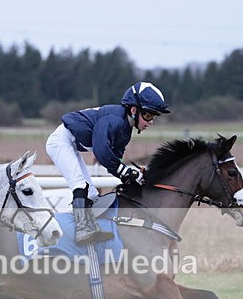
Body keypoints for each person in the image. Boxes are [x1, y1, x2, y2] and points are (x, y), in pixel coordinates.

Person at [45, 82, 170, 245]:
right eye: (148, 115)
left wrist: (132, 175)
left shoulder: (125, 131)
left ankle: (92, 229)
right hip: (60, 141)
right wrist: (126, 172)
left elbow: (114, 162)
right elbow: (102, 152)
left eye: (153, 117)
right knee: (80, 185)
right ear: (134, 110)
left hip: (71, 144)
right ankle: (82, 231)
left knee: (91, 194)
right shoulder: (114, 120)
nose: (150, 121)